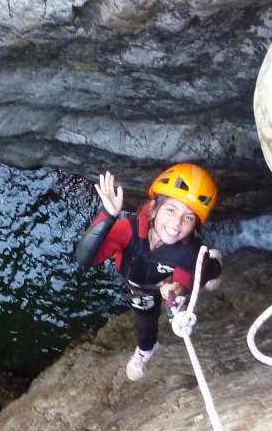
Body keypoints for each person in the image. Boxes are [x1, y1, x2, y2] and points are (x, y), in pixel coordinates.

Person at [75, 163, 223, 381]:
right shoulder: (129, 230)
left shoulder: (187, 251)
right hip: (140, 286)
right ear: (154, 208)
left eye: (189, 217)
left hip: (166, 278)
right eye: (171, 209)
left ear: (194, 225)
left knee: (204, 271)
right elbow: (85, 258)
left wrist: (177, 289)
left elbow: (184, 280)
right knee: (145, 320)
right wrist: (108, 215)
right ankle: (147, 349)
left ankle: (215, 264)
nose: (177, 222)